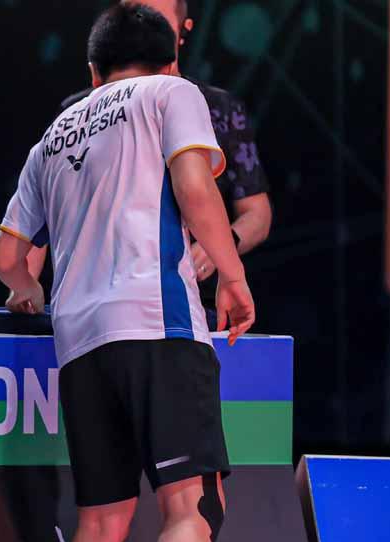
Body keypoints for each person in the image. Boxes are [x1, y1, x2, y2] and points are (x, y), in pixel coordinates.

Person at [0, 5, 255, 542]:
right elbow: (196, 189)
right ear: (171, 59)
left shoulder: (52, 135)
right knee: (190, 504)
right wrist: (232, 272)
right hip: (158, 323)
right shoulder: (174, 93)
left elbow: (6, 254)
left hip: (79, 343)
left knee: (99, 523)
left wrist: (30, 293)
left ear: (92, 69)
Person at [30, 0, 271, 326]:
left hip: (189, 307)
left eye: (155, 20)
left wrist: (218, 249)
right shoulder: (74, 113)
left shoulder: (212, 105)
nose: (141, 29)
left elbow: (253, 211)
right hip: (97, 312)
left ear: (181, 35)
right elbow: (37, 219)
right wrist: (28, 295)